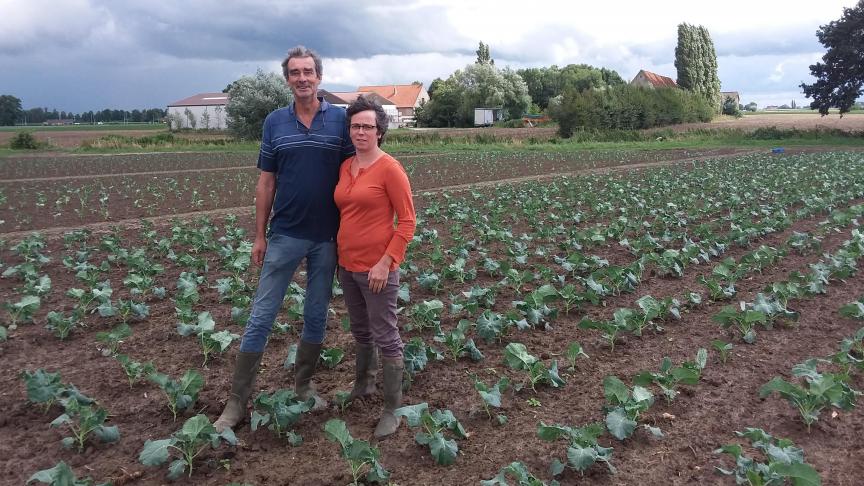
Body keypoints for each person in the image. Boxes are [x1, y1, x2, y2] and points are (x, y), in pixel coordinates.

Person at [214, 46, 354, 432]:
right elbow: (266, 182)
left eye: (309, 71)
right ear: (287, 79)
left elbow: (353, 176)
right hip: (285, 235)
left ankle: (304, 386)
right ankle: (237, 401)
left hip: (327, 238)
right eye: (295, 73)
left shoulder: (340, 121)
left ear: (319, 77)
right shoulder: (274, 122)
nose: (303, 78)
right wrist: (259, 235)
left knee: (315, 314)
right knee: (261, 315)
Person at [334, 95, 416, 438]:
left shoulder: (390, 169)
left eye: (368, 126)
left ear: (380, 131)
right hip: (347, 266)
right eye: (356, 126)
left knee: (386, 335)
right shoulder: (345, 166)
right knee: (361, 331)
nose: (361, 132)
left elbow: (408, 222)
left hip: (377, 269)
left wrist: (386, 262)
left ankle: (392, 409)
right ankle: (363, 385)